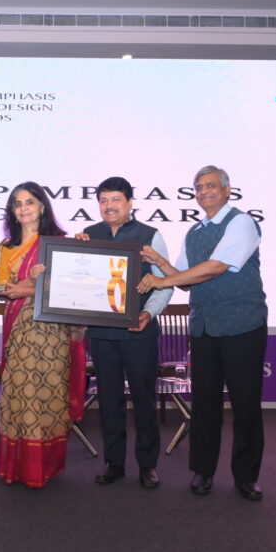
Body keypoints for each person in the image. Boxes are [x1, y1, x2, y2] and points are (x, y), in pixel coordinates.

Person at [137, 165, 267, 501]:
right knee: (205, 405)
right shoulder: (194, 232)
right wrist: (159, 262)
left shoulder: (241, 222)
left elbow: (216, 267)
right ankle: (203, 471)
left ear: (227, 189)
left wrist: (162, 281)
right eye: (198, 187)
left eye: (211, 185)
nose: (204, 191)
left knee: (245, 406)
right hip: (204, 328)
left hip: (243, 325)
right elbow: (183, 277)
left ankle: (246, 477)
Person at [78, 177, 173, 488]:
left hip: (138, 330)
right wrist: (76, 254)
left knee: (144, 399)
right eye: (104, 200)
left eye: (116, 199)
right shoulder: (89, 234)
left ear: (130, 202)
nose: (109, 206)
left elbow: (165, 284)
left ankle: (147, 465)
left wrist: (148, 313)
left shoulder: (150, 235)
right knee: (109, 400)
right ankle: (114, 463)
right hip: (101, 334)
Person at [0, 182, 86, 488]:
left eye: (30, 202)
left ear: (42, 206)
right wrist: (26, 285)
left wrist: (30, 286)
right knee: (20, 394)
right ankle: (19, 466)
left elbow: (71, 284)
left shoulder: (59, 243)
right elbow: (2, 290)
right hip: (19, 331)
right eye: (18, 203)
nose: (24, 208)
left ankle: (44, 467)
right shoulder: (7, 248)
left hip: (52, 333)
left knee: (49, 394)